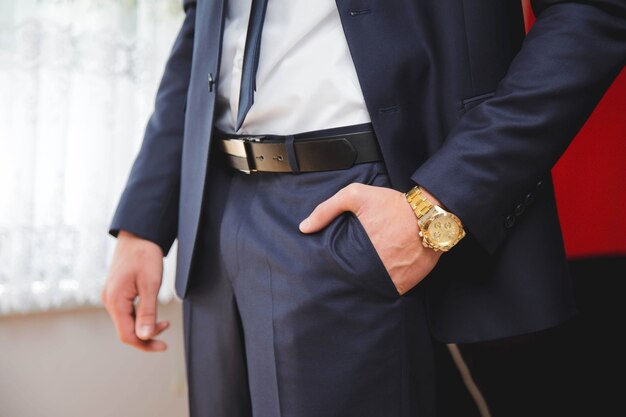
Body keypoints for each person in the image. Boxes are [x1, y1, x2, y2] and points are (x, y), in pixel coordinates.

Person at [102, 0, 626, 416]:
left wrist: (437, 209)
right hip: (216, 208)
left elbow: (593, 10)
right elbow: (204, 24)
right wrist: (143, 224)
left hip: (365, 200)